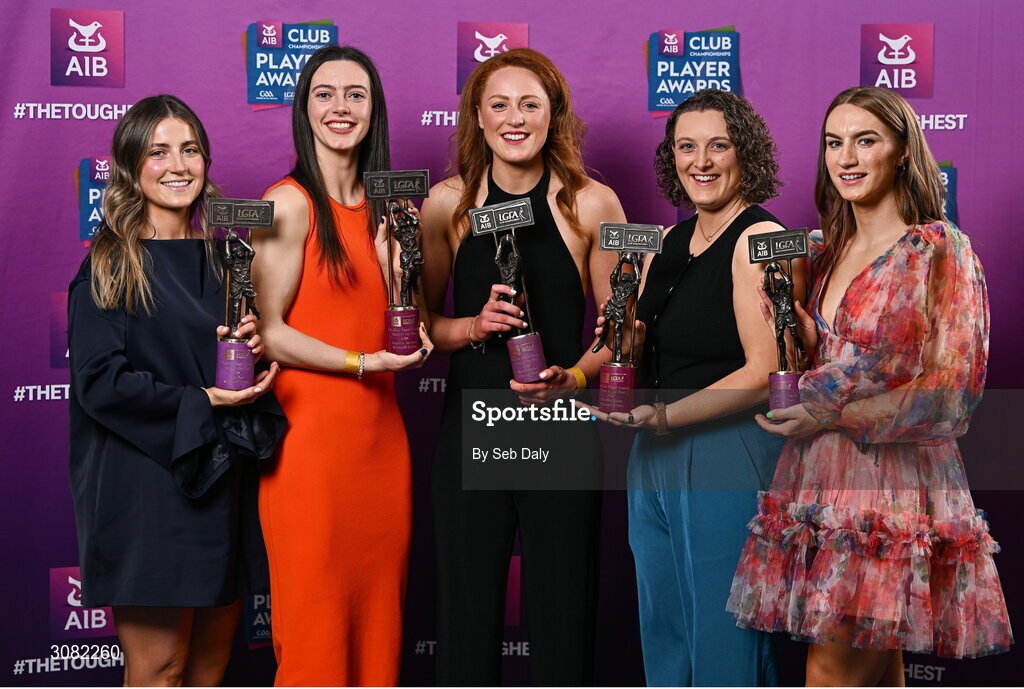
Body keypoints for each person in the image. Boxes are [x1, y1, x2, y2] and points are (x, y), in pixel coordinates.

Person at [727, 86, 1013, 685]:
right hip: (818, 479)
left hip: (893, 493)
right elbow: (837, 365)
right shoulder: (823, 251)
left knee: (831, 672)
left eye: (866, 140)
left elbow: (954, 392)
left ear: (903, 151)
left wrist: (830, 412)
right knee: (878, 673)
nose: (847, 158)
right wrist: (804, 342)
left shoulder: (939, 249)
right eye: (834, 142)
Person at [419, 48, 626, 685]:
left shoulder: (593, 203)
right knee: (465, 615)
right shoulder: (446, 204)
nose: (515, 118)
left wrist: (576, 377)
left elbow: (621, 333)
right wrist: (473, 326)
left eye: (529, 104)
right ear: (477, 118)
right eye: (500, 105)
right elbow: (422, 327)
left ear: (552, 114)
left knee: (564, 613)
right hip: (472, 430)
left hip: (558, 429)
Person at [68, 94, 285, 686]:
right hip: (144, 489)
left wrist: (254, 355)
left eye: (190, 150)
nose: (178, 165)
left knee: (210, 668)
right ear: (131, 166)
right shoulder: (109, 265)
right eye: (158, 152)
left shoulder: (226, 260)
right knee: (160, 668)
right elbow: (99, 383)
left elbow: (229, 360)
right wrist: (206, 398)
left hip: (221, 480)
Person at [586, 89, 795, 686]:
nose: (700, 162)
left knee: (724, 640)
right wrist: (608, 351)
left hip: (726, 448)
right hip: (654, 451)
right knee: (666, 629)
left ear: (744, 153)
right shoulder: (671, 242)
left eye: (717, 146)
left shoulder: (758, 239)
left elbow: (763, 373)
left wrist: (664, 418)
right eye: (686, 147)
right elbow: (648, 344)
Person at [251, 45, 433, 686]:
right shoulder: (290, 203)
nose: (340, 107)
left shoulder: (395, 211)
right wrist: (362, 361)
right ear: (304, 108)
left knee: (379, 624)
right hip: (310, 448)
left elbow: (409, 328)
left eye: (356, 94)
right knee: (315, 629)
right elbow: (269, 332)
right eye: (324, 93)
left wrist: (392, 267)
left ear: (374, 109)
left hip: (380, 445)